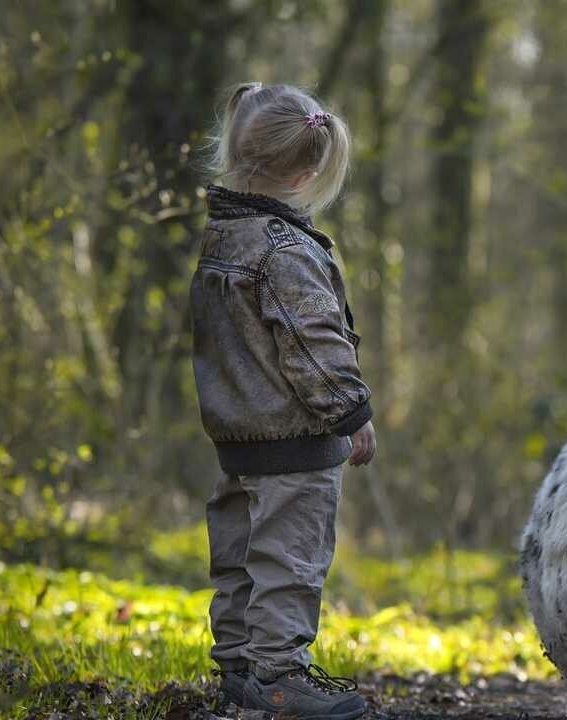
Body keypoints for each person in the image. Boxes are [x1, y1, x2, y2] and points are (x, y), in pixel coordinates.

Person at [189, 82, 375, 720]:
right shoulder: (285, 252)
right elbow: (313, 343)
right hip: (294, 441)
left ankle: (238, 669)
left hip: (237, 438)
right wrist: (352, 416)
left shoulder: (222, 240)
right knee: (288, 560)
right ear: (308, 171)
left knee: (239, 557)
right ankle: (277, 677)